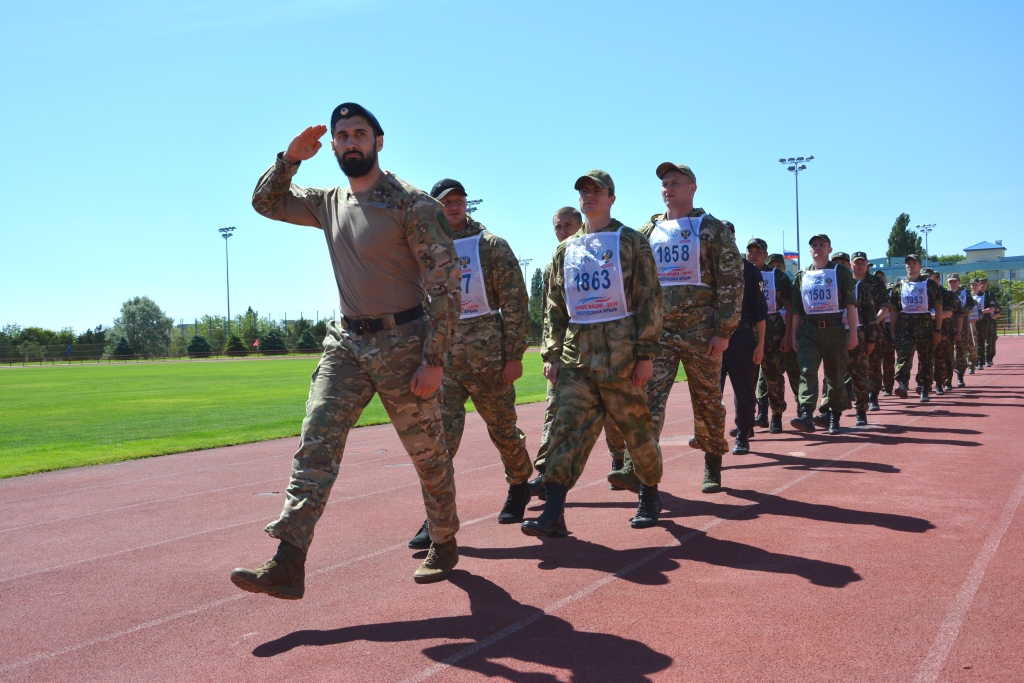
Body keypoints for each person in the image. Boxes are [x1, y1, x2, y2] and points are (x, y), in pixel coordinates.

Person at [231, 103, 462, 596]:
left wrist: (434, 360)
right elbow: (266, 204)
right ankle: (288, 561)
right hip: (347, 343)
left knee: (427, 454)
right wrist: (288, 160)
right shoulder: (327, 200)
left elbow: (445, 286)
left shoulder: (413, 204)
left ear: (379, 142)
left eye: (360, 133)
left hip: (405, 341)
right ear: (332, 146)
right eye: (343, 136)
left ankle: (444, 539)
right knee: (316, 443)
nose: (351, 141)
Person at [523, 170, 664, 537]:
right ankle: (553, 512)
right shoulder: (565, 249)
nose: (589, 196)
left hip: (622, 359)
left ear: (612, 198)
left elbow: (649, 298)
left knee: (637, 431)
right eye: (584, 192)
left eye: (596, 191)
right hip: (576, 359)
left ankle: (649, 494)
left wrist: (646, 353)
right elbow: (553, 305)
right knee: (565, 432)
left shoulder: (630, 241)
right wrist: (551, 354)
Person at [405, 179, 532, 549]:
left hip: (489, 358)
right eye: (446, 202)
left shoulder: (491, 246)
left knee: (504, 432)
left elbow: (515, 303)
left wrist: (513, 356)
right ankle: (436, 518)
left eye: (459, 201)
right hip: (444, 361)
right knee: (439, 442)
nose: (454, 207)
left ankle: (520, 483)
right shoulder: (426, 247)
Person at [608, 163, 743, 495]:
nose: (668, 188)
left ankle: (712, 461)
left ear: (692, 188)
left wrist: (724, 331)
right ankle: (635, 466)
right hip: (659, 335)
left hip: (702, 333)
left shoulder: (711, 229)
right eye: (664, 184)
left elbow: (731, 281)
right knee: (646, 400)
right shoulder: (647, 232)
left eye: (675, 183)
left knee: (708, 400)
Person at [529, 208, 627, 499]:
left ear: (581, 224)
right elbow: (552, 314)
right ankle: (546, 473)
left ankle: (620, 456)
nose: (562, 231)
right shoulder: (553, 266)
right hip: (568, 353)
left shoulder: (604, 255)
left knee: (613, 416)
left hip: (606, 351)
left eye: (568, 225)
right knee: (555, 413)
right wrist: (551, 354)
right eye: (557, 227)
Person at [788, 235, 858, 435]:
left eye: (822, 245)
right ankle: (806, 413)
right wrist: (793, 336)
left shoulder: (841, 273)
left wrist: (853, 333)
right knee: (807, 371)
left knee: (835, 375)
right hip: (809, 330)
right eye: (814, 245)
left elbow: (851, 306)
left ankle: (834, 416)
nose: (818, 248)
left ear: (829, 249)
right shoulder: (801, 276)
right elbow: (796, 311)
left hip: (834, 329)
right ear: (810, 251)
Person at [817, 252, 877, 426]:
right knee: (832, 376)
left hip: (857, 337)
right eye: (837, 263)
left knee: (859, 376)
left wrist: (871, 339)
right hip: (833, 336)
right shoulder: (824, 285)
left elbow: (870, 315)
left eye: (844, 263)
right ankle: (831, 414)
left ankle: (861, 411)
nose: (841, 266)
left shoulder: (860, 287)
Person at [720, 244, 767, 454]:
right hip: (713, 339)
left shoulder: (748, 269)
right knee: (709, 392)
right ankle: (709, 435)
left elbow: (759, 311)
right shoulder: (705, 266)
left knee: (745, 391)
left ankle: (743, 433)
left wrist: (760, 344)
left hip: (741, 336)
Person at [879, 254, 943, 402]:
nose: (911, 265)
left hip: (925, 326)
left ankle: (924, 387)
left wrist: (938, 330)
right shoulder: (899, 286)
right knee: (903, 356)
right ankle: (902, 383)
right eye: (908, 263)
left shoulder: (929, 285)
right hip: (905, 327)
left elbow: (938, 307)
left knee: (926, 358)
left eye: (914, 263)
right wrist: (893, 331)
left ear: (920, 266)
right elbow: (894, 310)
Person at [747, 241, 792, 434]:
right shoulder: (740, 273)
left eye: (758, 252)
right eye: (751, 251)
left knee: (774, 377)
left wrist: (788, 335)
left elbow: (790, 306)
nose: (754, 255)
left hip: (773, 332)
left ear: (766, 254)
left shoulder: (777, 276)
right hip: (747, 332)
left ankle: (777, 415)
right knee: (747, 379)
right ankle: (746, 420)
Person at [928, 269, 961, 394]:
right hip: (925, 330)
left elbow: (950, 313)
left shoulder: (946, 294)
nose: (929, 280)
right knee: (926, 357)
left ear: (938, 279)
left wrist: (931, 317)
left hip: (944, 331)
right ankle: (926, 383)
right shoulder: (922, 292)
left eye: (931, 277)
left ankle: (942, 382)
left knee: (944, 358)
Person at [869, 270, 896, 398]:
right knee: (874, 360)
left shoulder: (891, 292)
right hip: (878, 328)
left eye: (881, 277)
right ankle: (872, 388)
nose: (879, 279)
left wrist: (893, 331)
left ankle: (888, 385)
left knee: (889, 359)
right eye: (877, 277)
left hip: (889, 329)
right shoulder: (869, 292)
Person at [947, 273, 976, 387]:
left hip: (962, 324)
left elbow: (970, 305)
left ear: (959, 282)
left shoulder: (965, 293)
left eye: (955, 281)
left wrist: (964, 312)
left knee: (961, 351)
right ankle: (947, 379)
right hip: (948, 324)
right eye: (950, 281)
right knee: (947, 352)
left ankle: (960, 376)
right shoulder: (945, 294)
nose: (953, 283)